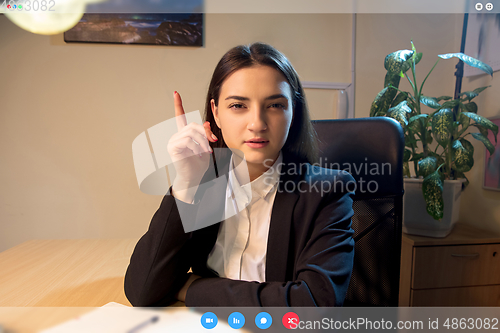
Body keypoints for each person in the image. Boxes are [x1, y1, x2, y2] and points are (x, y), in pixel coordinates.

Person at [124, 42, 355, 307]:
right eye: (237, 106)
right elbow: (143, 291)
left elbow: (311, 306)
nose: (257, 123)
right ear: (216, 113)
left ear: (294, 112)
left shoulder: (327, 192)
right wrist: (186, 184)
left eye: (276, 105)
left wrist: (192, 288)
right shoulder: (204, 183)